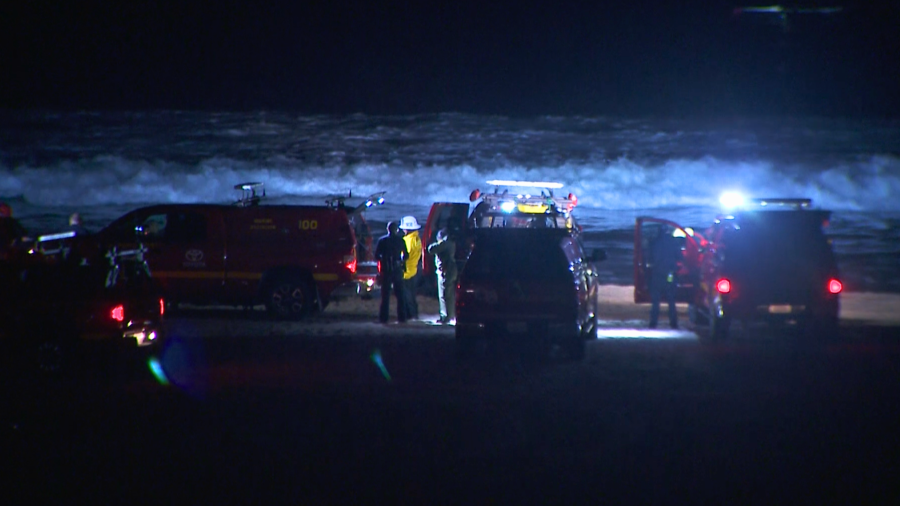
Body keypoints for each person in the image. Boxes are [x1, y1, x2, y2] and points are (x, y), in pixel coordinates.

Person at [648, 226, 683, 329]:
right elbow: (680, 257)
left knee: (655, 301)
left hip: (657, 274)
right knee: (671, 300)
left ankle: (653, 323)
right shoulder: (673, 242)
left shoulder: (654, 242)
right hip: (669, 275)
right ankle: (673, 323)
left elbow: (650, 258)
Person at [375, 221, 409, 324]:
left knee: (385, 295)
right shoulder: (400, 240)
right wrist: (400, 261)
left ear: (387, 229)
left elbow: (377, 255)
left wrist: (384, 260)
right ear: (396, 230)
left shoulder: (382, 241)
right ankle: (402, 317)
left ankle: (384, 318)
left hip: (386, 270)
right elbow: (406, 255)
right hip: (397, 269)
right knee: (400, 295)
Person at [426, 228, 458, 325]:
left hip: (445, 271)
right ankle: (450, 314)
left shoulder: (444, 244)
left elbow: (431, 249)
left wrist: (434, 242)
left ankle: (445, 316)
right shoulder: (451, 243)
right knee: (449, 295)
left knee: (444, 295)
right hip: (450, 270)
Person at [399, 215, 423, 320]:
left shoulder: (408, 240)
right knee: (412, 295)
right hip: (414, 269)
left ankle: (411, 315)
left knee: (407, 295)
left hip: (406, 271)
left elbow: (404, 256)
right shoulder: (417, 238)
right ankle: (414, 314)